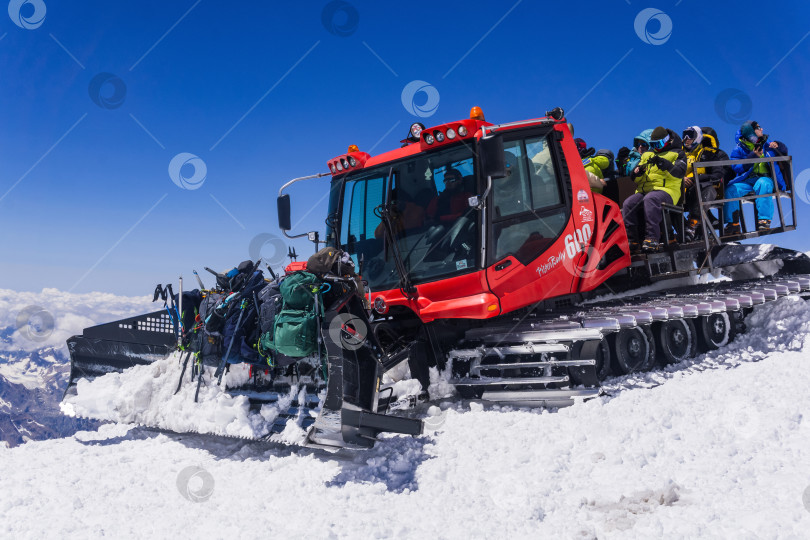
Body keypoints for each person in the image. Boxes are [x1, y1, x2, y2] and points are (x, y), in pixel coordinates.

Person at [621, 126, 687, 253]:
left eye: (659, 143)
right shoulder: (647, 155)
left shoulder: (677, 153)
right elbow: (636, 180)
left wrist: (664, 163)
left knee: (651, 199)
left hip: (668, 191)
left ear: (667, 140)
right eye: (653, 144)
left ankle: (652, 238)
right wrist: (638, 173)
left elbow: (679, 172)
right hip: (646, 190)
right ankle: (632, 240)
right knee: (628, 203)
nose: (657, 147)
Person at [724, 120, 786, 234]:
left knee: (763, 184)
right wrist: (752, 157)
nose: (762, 129)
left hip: (765, 177)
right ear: (751, 132)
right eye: (758, 128)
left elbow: (784, 151)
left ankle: (764, 220)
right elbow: (736, 167)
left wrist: (778, 145)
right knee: (731, 190)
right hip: (748, 180)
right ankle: (733, 223)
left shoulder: (767, 144)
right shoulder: (739, 149)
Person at [681, 126, 730, 241]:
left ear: (697, 138)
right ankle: (681, 231)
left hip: (697, 189)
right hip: (680, 190)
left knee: (708, 190)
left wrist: (696, 179)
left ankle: (692, 226)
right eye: (684, 135)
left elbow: (718, 174)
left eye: (690, 135)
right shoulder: (679, 155)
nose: (686, 138)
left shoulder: (709, 153)